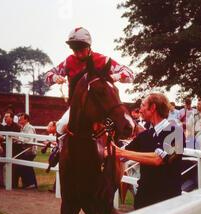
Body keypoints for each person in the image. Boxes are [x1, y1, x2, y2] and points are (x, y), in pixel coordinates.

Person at [112, 93, 190, 214]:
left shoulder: (176, 133)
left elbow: (158, 159)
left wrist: (121, 152)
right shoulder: (145, 135)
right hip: (144, 202)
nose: (140, 110)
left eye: (144, 105)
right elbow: (121, 155)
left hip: (168, 203)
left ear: (153, 107)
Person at [43, 27, 134, 160]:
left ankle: (118, 149)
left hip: (100, 108)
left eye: (81, 49)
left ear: (89, 46)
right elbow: (47, 75)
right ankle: (59, 149)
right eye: (75, 50)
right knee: (61, 124)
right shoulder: (69, 61)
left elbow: (130, 74)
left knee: (116, 122)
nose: (79, 54)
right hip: (76, 108)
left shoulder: (103, 60)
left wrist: (116, 76)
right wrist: (54, 78)